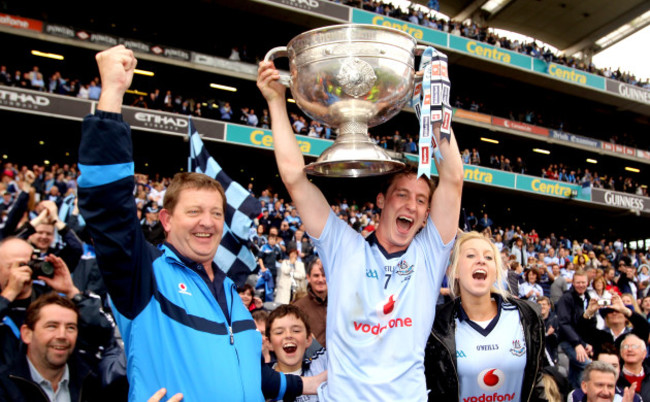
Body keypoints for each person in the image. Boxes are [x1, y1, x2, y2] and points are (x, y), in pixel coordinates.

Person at [77, 45, 322, 402]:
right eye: (193, 212)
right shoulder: (143, 274)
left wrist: (306, 384)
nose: (207, 223)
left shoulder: (227, 291)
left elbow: (246, 374)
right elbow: (107, 208)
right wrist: (112, 95)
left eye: (216, 213)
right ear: (166, 220)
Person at [258, 56, 463, 400]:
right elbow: (295, 179)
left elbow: (454, 179)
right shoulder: (343, 246)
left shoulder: (429, 254)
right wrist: (277, 101)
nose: (411, 206)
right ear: (381, 201)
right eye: (402, 195)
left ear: (427, 213)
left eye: (421, 200)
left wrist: (431, 112)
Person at [424, 231, 546, 402]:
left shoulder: (526, 316)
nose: (481, 260)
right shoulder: (437, 325)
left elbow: (536, 385)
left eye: (489, 258)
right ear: (454, 271)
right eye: (471, 255)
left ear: (495, 271)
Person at [0, 237, 114, 368]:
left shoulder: (51, 300)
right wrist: (9, 294)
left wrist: (72, 292)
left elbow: (103, 332)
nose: (23, 271)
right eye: (13, 266)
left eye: (27, 264)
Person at [0, 292, 115, 402]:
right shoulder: (4, 386)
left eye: (70, 327)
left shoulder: (92, 382)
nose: (62, 335)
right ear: (26, 334)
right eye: (52, 326)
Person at [266, 304, 327, 402]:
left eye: (296, 330)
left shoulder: (322, 364)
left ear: (308, 339)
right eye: (279, 332)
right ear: (269, 343)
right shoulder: (261, 379)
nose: (288, 335)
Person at [557, 270, 593, 388]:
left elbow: (585, 324)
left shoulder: (588, 298)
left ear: (587, 283)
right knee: (588, 366)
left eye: (583, 282)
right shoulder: (566, 298)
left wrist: (585, 343)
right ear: (573, 282)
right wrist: (577, 344)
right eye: (578, 282)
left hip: (580, 341)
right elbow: (564, 323)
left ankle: (573, 395)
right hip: (568, 341)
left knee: (575, 372)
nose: (581, 285)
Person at [293, 258, 327, 349]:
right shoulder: (298, 308)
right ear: (308, 278)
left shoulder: (339, 304)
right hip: (312, 360)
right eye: (316, 275)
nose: (320, 279)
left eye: (324, 275)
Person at [617, 334, 650, 400]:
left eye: (634, 346)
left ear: (644, 353)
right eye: (626, 346)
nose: (629, 349)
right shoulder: (615, 376)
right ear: (621, 352)